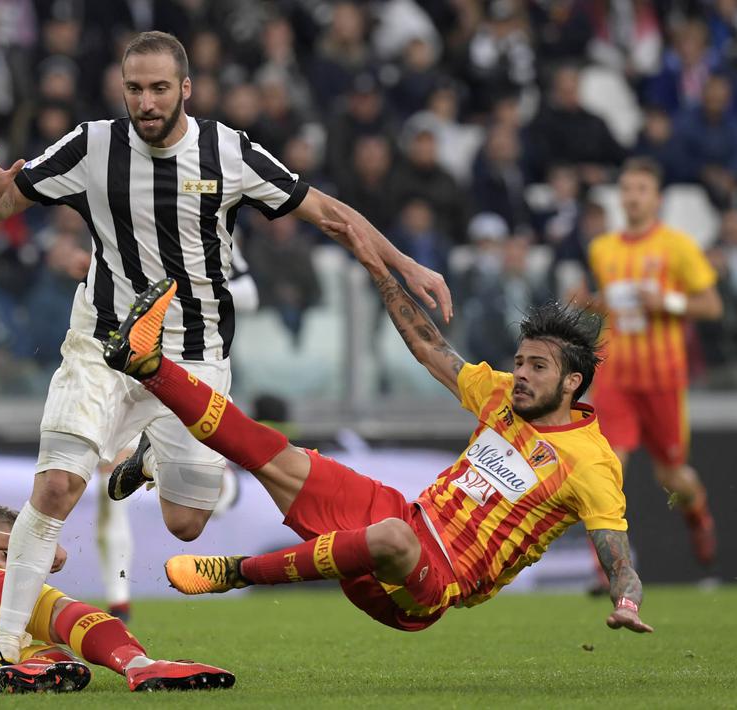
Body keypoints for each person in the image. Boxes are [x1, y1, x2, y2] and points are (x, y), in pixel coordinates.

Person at [0, 30, 452, 684]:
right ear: (122, 88)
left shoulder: (227, 151)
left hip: (195, 355)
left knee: (188, 522)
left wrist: (404, 263)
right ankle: (5, 655)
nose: (146, 101)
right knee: (56, 486)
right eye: (135, 88)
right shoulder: (90, 145)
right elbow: (5, 204)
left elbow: (331, 216)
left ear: (185, 88)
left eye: (160, 88)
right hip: (103, 342)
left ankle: (153, 457)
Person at [100, 225, 653, 637]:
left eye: (538, 368)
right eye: (522, 362)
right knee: (280, 455)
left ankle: (235, 572)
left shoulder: (591, 462)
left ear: (573, 382)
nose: (522, 376)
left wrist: (626, 603)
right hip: (403, 514)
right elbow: (429, 347)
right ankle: (145, 363)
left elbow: (619, 559)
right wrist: (378, 271)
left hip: (431, 585)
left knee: (392, 538)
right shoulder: (502, 395)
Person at [0, 504, 234, 693]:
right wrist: (23, 546)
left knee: (54, 664)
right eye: (6, 561)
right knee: (51, 608)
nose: (6, 571)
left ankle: (7, 679)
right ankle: (138, 663)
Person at [584, 157, 724, 572]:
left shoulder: (676, 246)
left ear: (657, 198)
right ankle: (605, 565)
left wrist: (666, 301)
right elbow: (609, 309)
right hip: (616, 376)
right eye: (626, 189)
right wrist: (587, 303)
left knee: (671, 475)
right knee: (608, 466)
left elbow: (712, 305)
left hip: (662, 378)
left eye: (640, 189)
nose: (632, 197)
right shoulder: (602, 249)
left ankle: (697, 512)